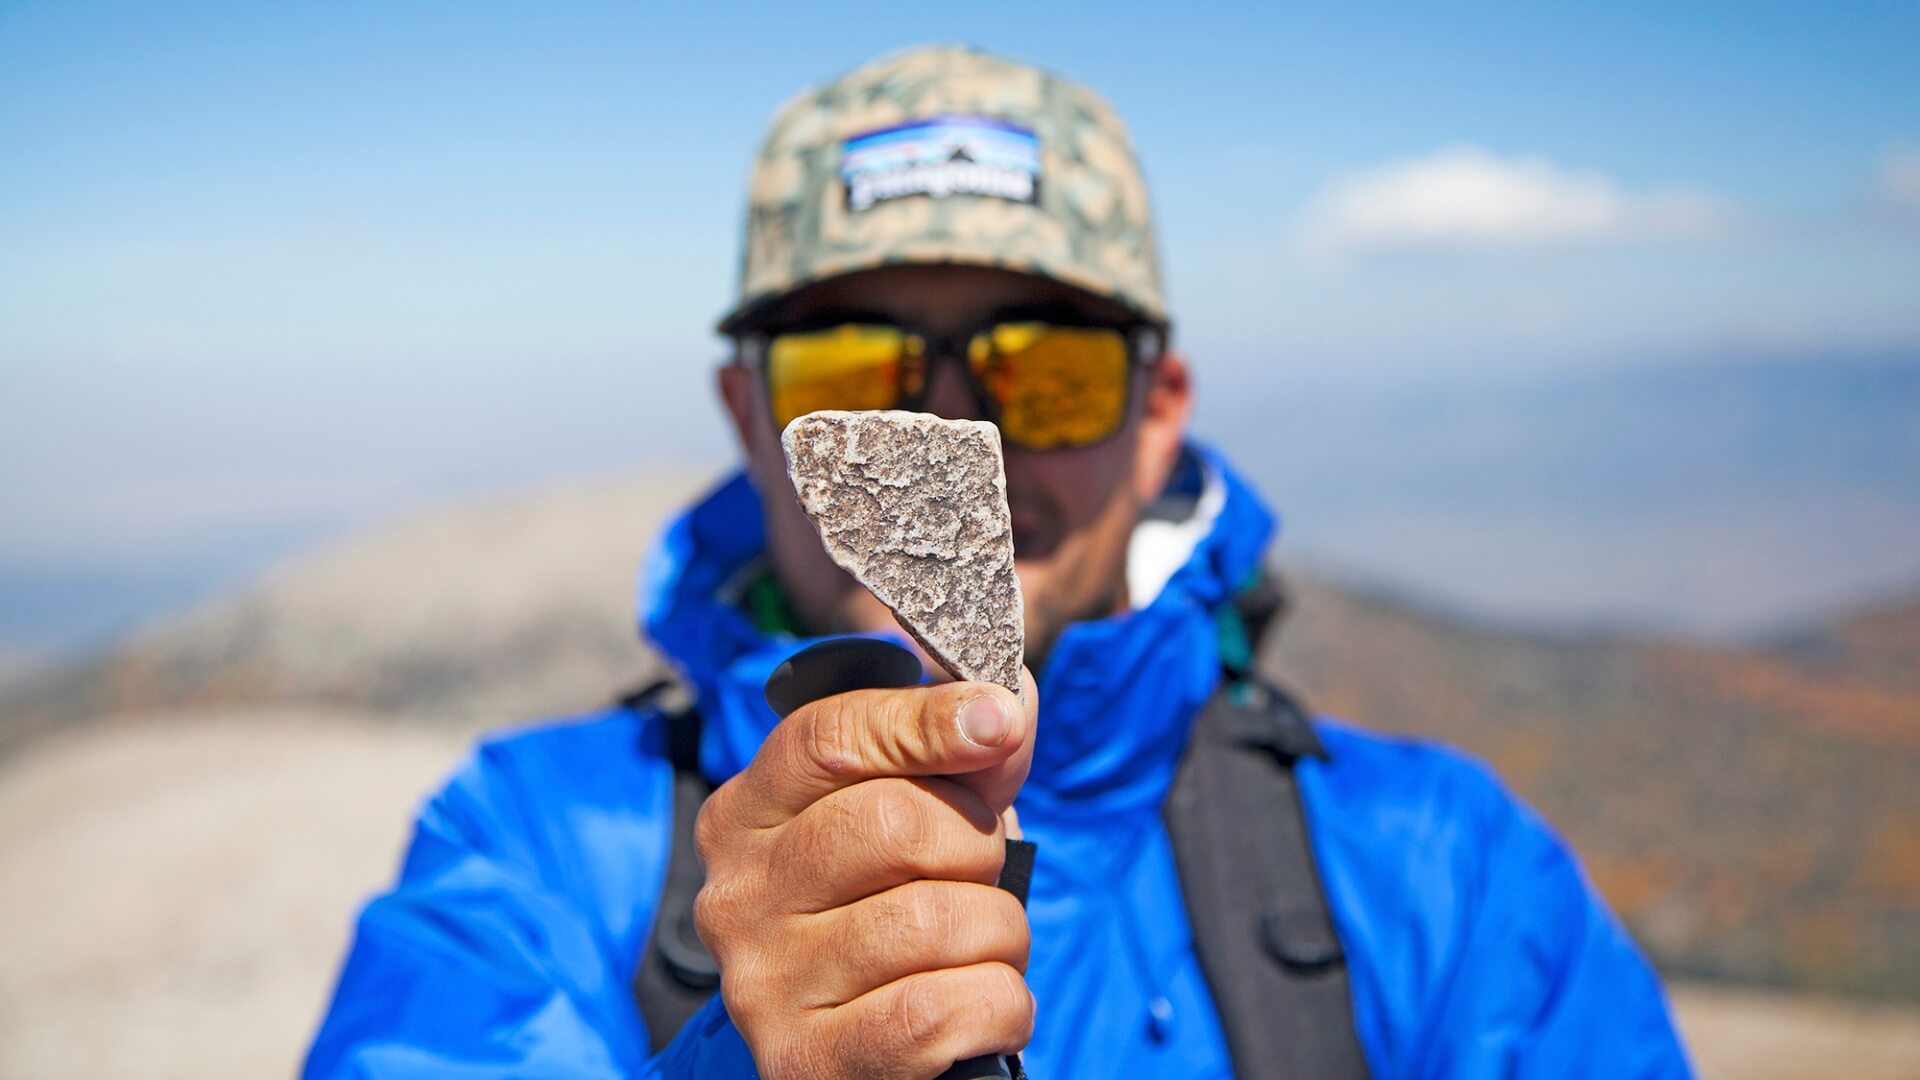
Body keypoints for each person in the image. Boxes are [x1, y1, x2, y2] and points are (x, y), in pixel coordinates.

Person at [305, 45, 1691, 1078]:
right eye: (857, 367)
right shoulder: (532, 859)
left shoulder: (1454, 882)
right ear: (749, 416)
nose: (954, 427)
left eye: (1049, 368)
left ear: (1159, 420)